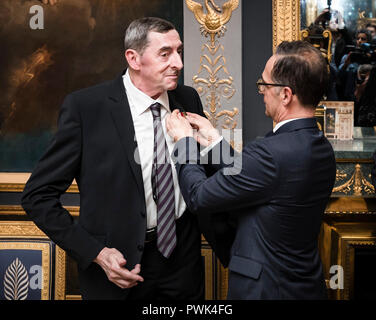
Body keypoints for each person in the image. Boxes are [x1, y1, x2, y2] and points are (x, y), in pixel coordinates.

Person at [21, 17, 228, 300]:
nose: (178, 63)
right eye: (165, 54)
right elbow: (37, 196)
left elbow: (206, 174)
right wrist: (96, 253)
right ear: (134, 58)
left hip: (183, 262)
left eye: (179, 51)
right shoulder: (86, 108)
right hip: (117, 270)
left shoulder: (188, 98)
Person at [166, 40, 337, 299]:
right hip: (303, 284)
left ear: (286, 94)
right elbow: (258, 179)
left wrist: (185, 142)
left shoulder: (270, 153)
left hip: (265, 289)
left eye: (265, 85)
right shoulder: (320, 146)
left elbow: (199, 195)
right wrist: (214, 141)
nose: (261, 91)